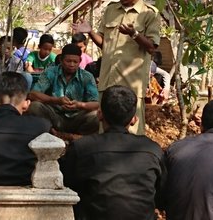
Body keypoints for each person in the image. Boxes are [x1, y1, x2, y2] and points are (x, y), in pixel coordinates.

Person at [72, 0, 161, 135]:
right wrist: (89, 31)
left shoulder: (150, 14)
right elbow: (105, 44)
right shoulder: (111, 10)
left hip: (132, 84)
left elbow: (151, 47)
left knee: (133, 132)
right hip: (108, 81)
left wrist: (134, 34)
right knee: (104, 129)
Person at [59, 85, 165, 220]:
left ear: (100, 114)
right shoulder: (152, 150)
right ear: (134, 119)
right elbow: (162, 197)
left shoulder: (81, 148)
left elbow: (66, 184)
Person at [27, 44, 99, 135]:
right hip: (54, 115)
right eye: (68, 61)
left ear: (80, 61)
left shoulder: (87, 76)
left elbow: (96, 103)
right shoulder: (50, 72)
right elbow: (33, 94)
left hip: (77, 116)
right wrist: (56, 100)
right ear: (61, 60)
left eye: (75, 62)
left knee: (95, 115)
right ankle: (50, 132)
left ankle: (77, 138)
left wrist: (79, 105)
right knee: (35, 106)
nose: (72, 65)